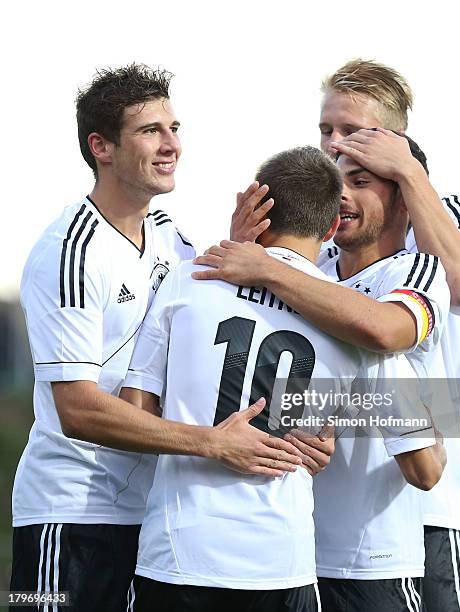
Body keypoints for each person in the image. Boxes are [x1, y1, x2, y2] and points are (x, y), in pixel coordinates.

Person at [197, 59, 460, 611]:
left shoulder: (437, 222)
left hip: (428, 518)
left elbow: (459, 294)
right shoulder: (321, 257)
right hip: (317, 533)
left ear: (396, 142)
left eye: (351, 133)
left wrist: (410, 175)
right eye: (325, 131)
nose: (333, 146)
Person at [10, 64, 303, 612]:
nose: (172, 145)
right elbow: (76, 409)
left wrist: (237, 247)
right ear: (101, 146)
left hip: (149, 517)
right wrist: (213, 442)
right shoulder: (68, 252)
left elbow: (199, 313)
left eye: (175, 128)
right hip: (71, 516)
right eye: (150, 131)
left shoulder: (172, 235)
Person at [122, 146, 445, 612]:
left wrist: (209, 439)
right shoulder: (352, 320)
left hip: (177, 558)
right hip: (281, 567)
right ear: (331, 225)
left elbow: (135, 415)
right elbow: (427, 469)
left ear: (255, 203)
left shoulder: (186, 281)